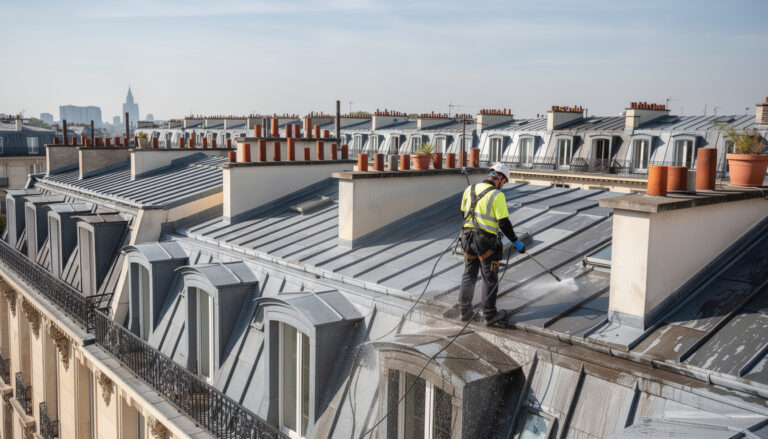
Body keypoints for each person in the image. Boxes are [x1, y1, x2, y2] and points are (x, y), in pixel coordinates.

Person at [458, 163, 526, 325]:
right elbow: (503, 223)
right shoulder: (497, 195)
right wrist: (516, 241)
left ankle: (464, 310)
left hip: (466, 238)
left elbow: (463, 214)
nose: (503, 185)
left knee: (469, 274)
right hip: (485, 241)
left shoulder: (469, 190)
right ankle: (489, 315)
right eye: (505, 182)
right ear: (500, 178)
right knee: (489, 277)